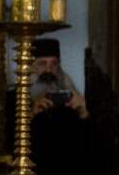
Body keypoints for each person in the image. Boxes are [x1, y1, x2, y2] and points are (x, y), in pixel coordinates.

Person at [28, 39, 91, 175]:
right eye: (42, 64)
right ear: (31, 67)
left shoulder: (68, 89)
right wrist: (31, 113)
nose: (49, 69)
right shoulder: (15, 96)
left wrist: (84, 113)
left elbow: (87, 145)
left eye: (54, 64)